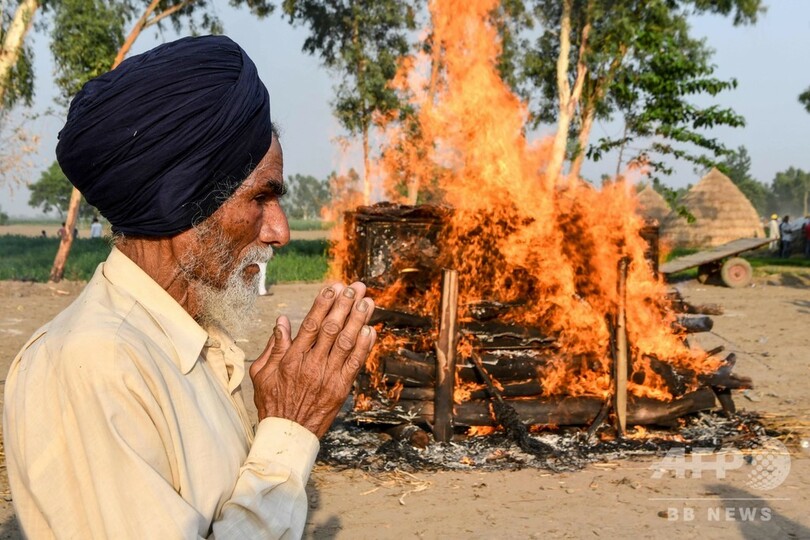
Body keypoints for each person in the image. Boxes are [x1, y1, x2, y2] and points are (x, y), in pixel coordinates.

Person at [3, 35, 377, 539]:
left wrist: (271, 425)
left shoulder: (183, 343)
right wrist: (289, 433)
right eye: (261, 198)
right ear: (183, 201)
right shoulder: (93, 363)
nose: (281, 231)